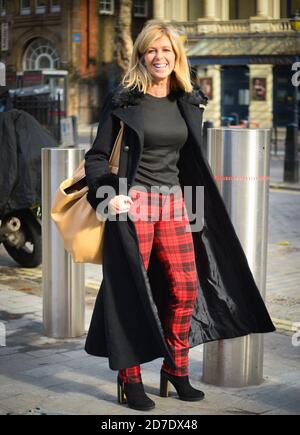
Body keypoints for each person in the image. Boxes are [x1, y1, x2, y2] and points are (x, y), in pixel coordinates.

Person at [84, 21, 275, 412]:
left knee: (186, 287)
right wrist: (109, 195)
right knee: (132, 291)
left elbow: (189, 158)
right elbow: (97, 156)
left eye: (166, 50)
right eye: (152, 50)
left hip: (176, 201)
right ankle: (130, 379)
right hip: (133, 202)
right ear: (142, 56)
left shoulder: (188, 99)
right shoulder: (124, 101)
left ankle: (175, 368)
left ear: (176, 56)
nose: (159, 57)